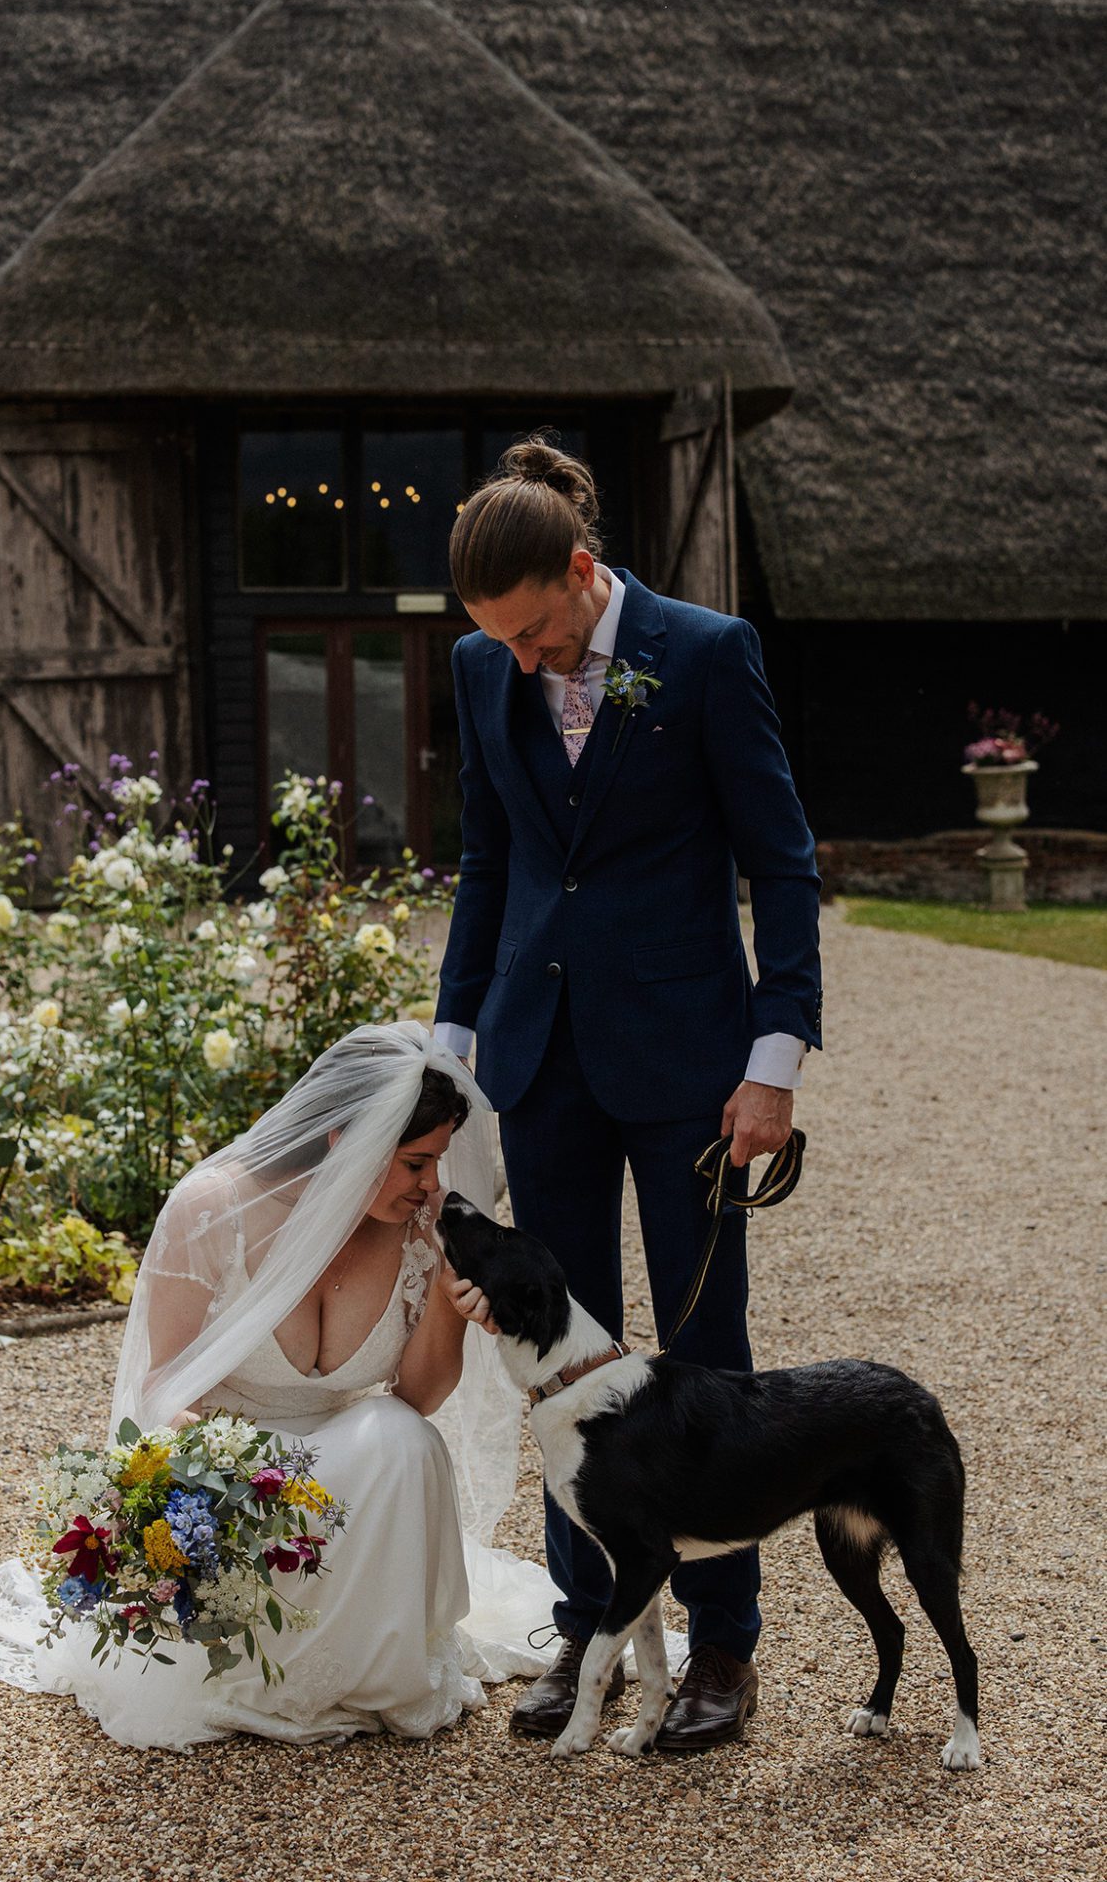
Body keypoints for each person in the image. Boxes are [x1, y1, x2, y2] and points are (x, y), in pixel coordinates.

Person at [435, 437, 822, 1750]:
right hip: (538, 1056)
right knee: (556, 1361)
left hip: (689, 1068)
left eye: (540, 634)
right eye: (502, 642)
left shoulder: (708, 653)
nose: (524, 661)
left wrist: (773, 1061)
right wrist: (452, 1037)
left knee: (707, 1351)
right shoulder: (481, 665)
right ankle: (590, 1633)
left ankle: (722, 1650)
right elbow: (488, 864)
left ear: (585, 572)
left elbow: (781, 863)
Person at [0, 1022, 560, 1747]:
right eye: (415, 1162)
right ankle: (260, 1658)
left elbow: (413, 1398)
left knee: (402, 1436)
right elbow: (162, 1383)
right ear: (343, 1140)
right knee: (312, 1475)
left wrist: (448, 1298)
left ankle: (379, 1671)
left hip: (341, 1466)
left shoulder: (418, 1227)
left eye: (436, 1163)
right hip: (227, 1469)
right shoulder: (214, 1207)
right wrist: (205, 1470)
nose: (431, 1186)